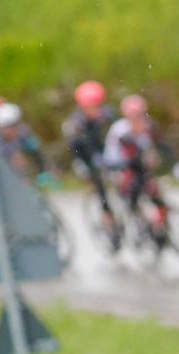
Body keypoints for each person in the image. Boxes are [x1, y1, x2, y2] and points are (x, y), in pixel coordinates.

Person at [104, 94, 173, 246]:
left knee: (156, 194)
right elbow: (130, 156)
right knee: (133, 191)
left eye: (141, 115)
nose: (138, 119)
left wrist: (174, 164)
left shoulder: (149, 126)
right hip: (119, 165)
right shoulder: (121, 131)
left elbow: (163, 147)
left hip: (138, 164)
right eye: (134, 117)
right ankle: (139, 223)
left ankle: (160, 227)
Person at [63, 81, 119, 245]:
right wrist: (84, 166)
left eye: (98, 105)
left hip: (105, 152)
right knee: (100, 188)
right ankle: (108, 221)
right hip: (85, 157)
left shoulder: (108, 114)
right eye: (91, 107)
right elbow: (76, 149)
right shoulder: (76, 124)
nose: (96, 110)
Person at [0, 102, 55, 187]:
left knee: (32, 148)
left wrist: (47, 169)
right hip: (4, 174)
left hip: (26, 170)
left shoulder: (24, 133)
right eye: (8, 126)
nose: (13, 129)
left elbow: (38, 152)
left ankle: (42, 175)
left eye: (15, 124)